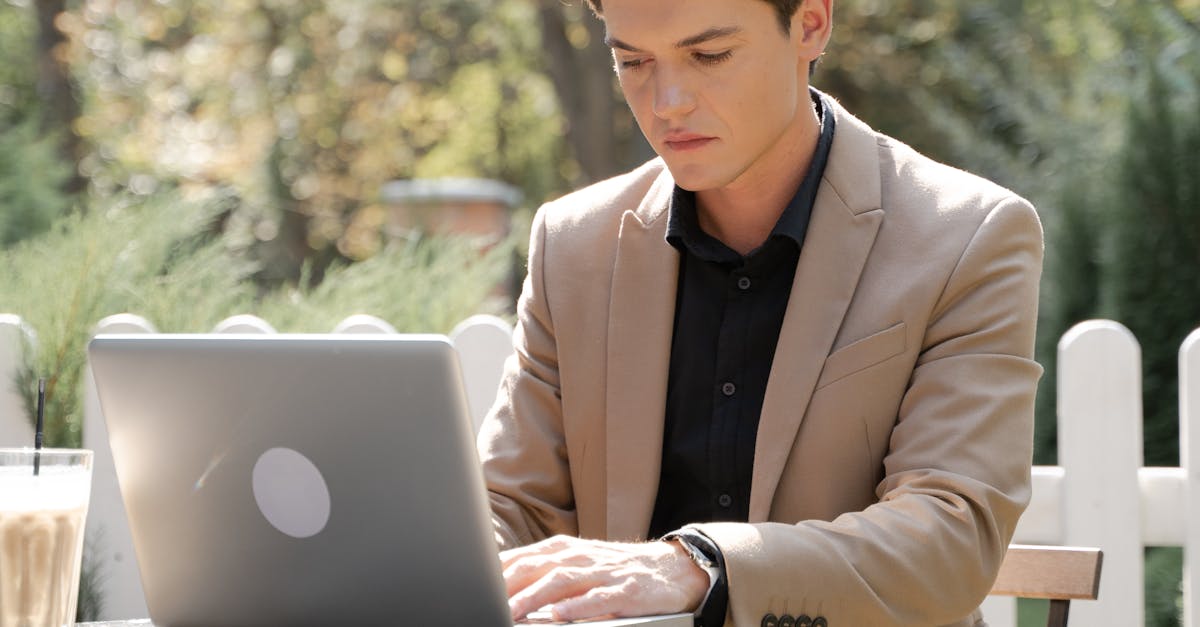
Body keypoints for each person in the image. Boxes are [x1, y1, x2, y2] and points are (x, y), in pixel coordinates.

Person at [479, 0, 1043, 625]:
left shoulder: (967, 235)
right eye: (633, 61)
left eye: (709, 55)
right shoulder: (572, 243)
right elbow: (510, 511)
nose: (667, 102)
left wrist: (700, 565)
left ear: (810, 24)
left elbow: (951, 538)